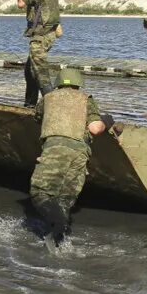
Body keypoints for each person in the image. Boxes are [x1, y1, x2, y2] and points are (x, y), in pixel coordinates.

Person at [30, 68, 112, 247]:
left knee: (39, 192)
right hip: (79, 153)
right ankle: (59, 239)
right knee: (65, 198)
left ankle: (56, 227)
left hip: (55, 149)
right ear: (78, 83)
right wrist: (108, 120)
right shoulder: (86, 100)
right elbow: (95, 128)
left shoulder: (47, 98)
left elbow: (37, 117)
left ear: (57, 83)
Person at [16, 0, 61, 107]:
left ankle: (52, 107)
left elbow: (22, 3)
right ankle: (30, 105)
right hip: (50, 32)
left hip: (39, 35)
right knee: (30, 71)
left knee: (41, 73)